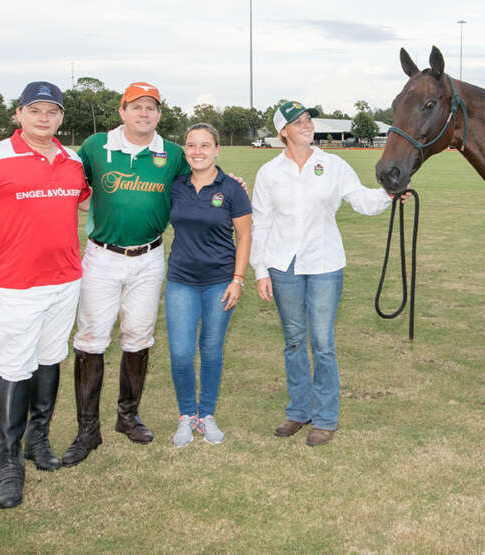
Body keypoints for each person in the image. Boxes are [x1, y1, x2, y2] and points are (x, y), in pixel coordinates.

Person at [0, 81, 90, 508]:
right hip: (17, 284)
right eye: (35, 111)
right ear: (19, 114)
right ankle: (8, 462)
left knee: (50, 359)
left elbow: (88, 203)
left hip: (66, 279)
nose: (43, 118)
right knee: (15, 366)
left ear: (61, 118)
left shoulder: (72, 161)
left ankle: (38, 442)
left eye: (52, 111)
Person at [250, 101, 407, 447]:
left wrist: (388, 193)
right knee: (293, 341)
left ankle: (324, 417)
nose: (307, 125)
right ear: (283, 132)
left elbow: (360, 199)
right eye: (298, 122)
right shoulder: (269, 173)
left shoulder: (332, 164)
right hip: (283, 264)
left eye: (308, 120)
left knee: (321, 342)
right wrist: (260, 270)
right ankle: (298, 410)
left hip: (324, 264)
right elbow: (260, 223)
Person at [62, 82, 189, 466]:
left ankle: (127, 416)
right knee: (90, 338)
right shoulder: (95, 147)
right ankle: (88, 430)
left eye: (151, 108)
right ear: (122, 111)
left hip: (149, 256)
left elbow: (198, 182)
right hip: (102, 256)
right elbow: (68, 182)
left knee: (138, 335)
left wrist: (230, 184)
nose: (144, 114)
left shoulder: (172, 153)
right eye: (137, 107)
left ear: (159, 115)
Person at [165, 123, 252, 447]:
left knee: (212, 351)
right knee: (181, 353)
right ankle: (187, 415)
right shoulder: (175, 186)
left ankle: (207, 415)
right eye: (191, 146)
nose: (197, 151)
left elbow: (244, 236)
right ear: (184, 150)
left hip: (220, 282)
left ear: (217, 149)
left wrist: (238, 280)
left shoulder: (231, 188)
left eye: (205, 145)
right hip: (181, 282)